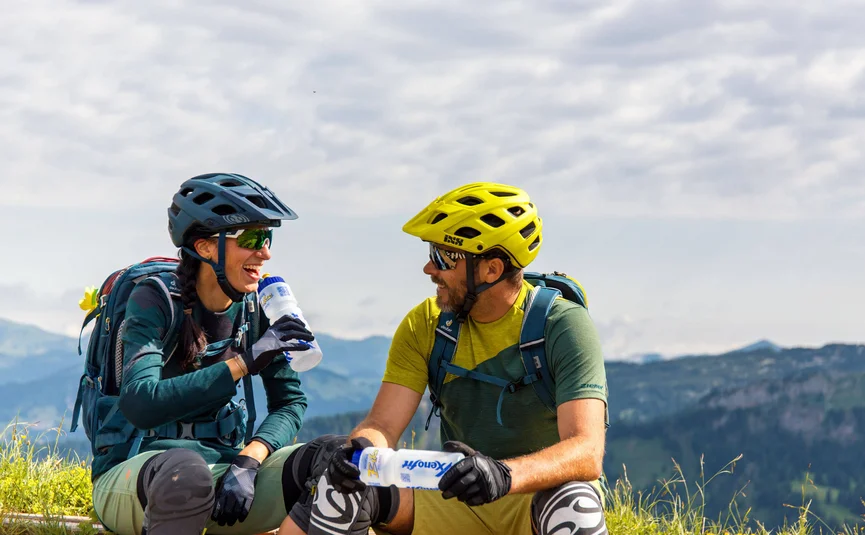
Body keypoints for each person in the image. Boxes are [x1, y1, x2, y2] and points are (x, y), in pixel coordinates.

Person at [285, 182, 609, 535]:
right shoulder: (426, 323)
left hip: (533, 498)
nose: (429, 268)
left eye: (443, 257)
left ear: (491, 269)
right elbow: (383, 425)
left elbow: (586, 451)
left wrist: (504, 475)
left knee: (576, 504)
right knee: (343, 484)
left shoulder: (561, 325)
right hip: (455, 495)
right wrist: (362, 451)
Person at [90, 173, 319, 535]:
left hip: (228, 484)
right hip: (138, 473)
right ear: (205, 247)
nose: (266, 252)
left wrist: (248, 461)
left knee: (331, 460)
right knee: (187, 472)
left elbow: (290, 402)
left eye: (268, 237)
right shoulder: (154, 299)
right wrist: (243, 363)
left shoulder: (258, 307)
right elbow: (140, 403)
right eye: (252, 238)